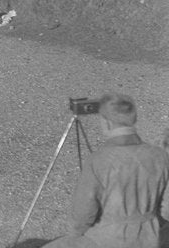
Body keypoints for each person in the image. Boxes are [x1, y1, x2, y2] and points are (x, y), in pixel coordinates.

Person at [45, 93, 169, 248]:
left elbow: (82, 216)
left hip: (108, 238)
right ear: (134, 119)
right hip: (151, 238)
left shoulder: (98, 160)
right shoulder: (160, 156)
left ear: (107, 123)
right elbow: (167, 210)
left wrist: (75, 236)